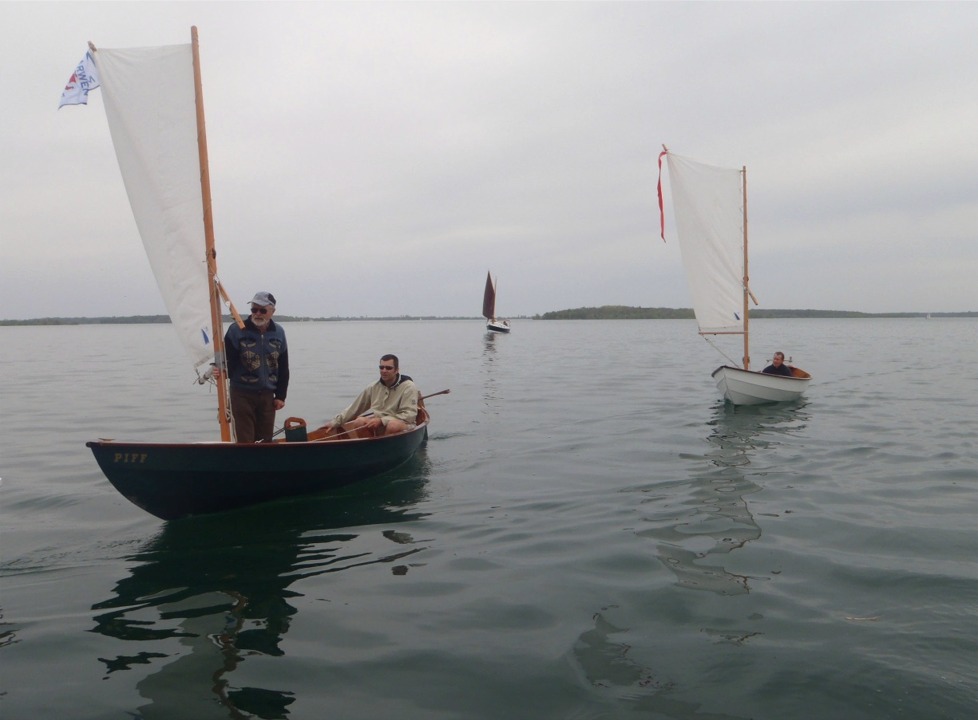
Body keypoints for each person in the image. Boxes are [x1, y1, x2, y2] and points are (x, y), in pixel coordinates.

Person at [220, 291, 289, 442]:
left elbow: (283, 366)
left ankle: (263, 465)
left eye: (262, 310)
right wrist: (219, 369)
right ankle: (244, 464)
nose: (257, 314)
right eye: (254, 309)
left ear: (272, 312)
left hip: (267, 396)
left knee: (265, 440)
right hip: (241, 394)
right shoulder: (236, 330)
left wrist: (280, 396)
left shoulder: (279, 332)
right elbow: (225, 360)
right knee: (245, 440)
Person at [325, 354, 419, 436]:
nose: (384, 370)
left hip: (404, 425)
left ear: (397, 370)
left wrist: (382, 420)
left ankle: (384, 449)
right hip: (380, 424)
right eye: (381, 367)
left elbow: (409, 415)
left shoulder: (409, 387)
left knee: (392, 425)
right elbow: (355, 408)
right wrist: (335, 422)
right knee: (359, 421)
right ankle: (367, 449)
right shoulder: (373, 387)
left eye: (388, 368)